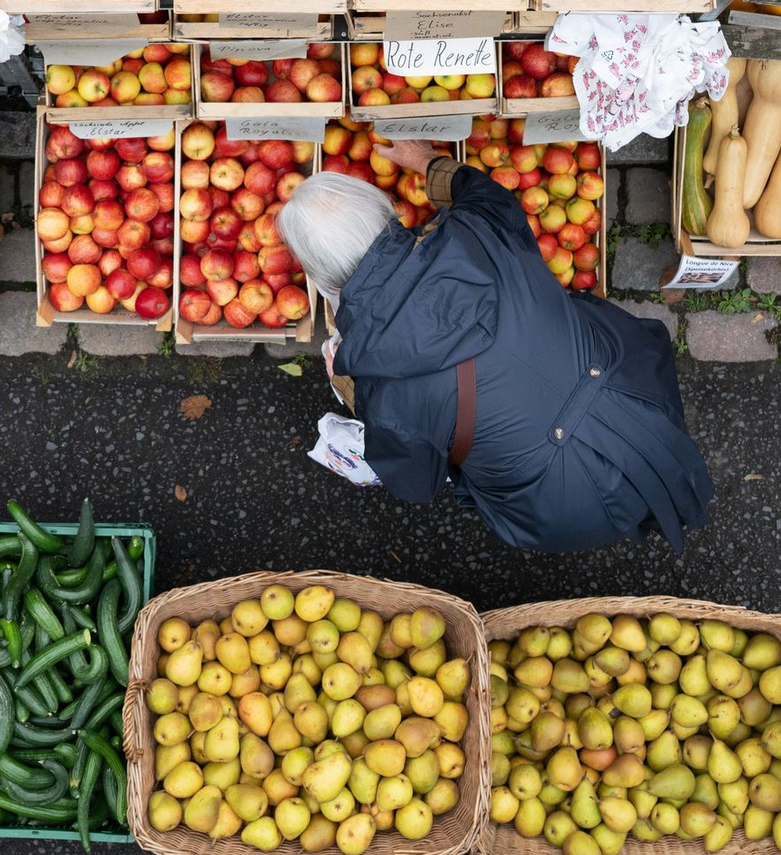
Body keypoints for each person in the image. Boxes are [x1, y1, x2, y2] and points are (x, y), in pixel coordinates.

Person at [277, 140, 712, 553]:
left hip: (560, 509)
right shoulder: (477, 227)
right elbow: (481, 192)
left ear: (322, 280)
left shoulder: (382, 390)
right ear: (386, 212)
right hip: (642, 400)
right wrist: (427, 161)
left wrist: (355, 393)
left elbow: (417, 482)